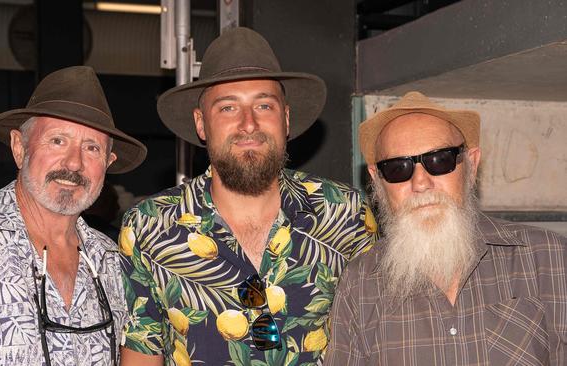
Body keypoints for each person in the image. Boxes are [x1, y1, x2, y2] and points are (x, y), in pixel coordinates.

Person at [119, 27, 377, 365]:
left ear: (285, 119)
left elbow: (378, 339)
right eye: (227, 108)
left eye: (264, 105)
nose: (248, 124)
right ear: (201, 123)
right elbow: (142, 353)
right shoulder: (149, 228)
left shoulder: (346, 214)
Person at [0, 66, 147, 365]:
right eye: (57, 141)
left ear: (107, 163)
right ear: (19, 148)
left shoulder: (113, 264)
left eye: (91, 148)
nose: (74, 163)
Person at [325, 91, 567, 365]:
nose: (420, 182)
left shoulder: (549, 258)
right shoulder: (359, 284)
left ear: (471, 164)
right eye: (397, 168)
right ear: (377, 181)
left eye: (439, 160)